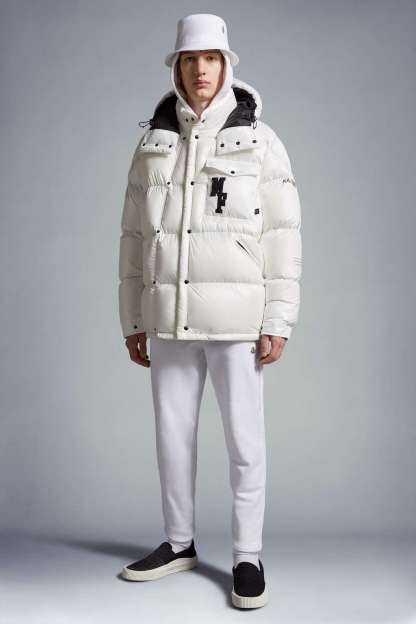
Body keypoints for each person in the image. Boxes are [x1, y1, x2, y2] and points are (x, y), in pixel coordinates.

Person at [118, 13, 302, 609]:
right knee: (172, 439)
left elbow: (283, 234)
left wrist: (278, 318)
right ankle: (179, 543)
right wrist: (134, 318)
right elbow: (132, 237)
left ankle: (247, 556)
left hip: (237, 321)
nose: (201, 69)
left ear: (227, 66)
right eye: (190, 59)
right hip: (167, 316)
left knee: (245, 442)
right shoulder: (153, 144)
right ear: (177, 67)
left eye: (211, 58)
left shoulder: (259, 140)